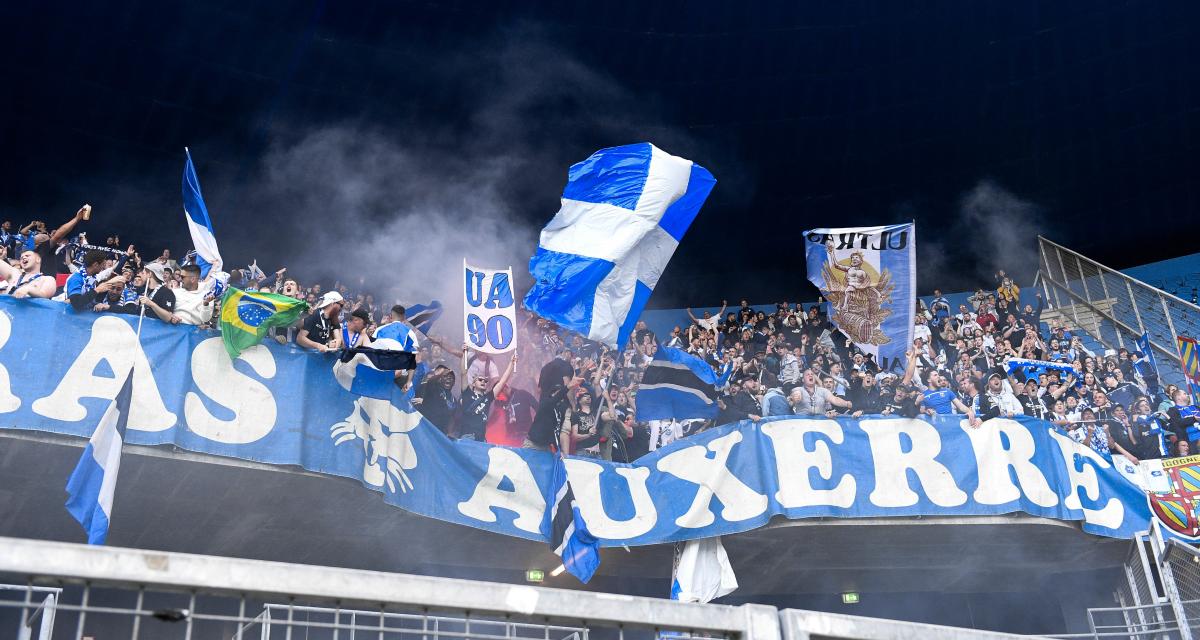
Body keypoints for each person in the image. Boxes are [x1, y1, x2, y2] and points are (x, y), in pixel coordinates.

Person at [458, 351, 516, 441]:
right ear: (473, 383)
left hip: (481, 438)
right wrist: (465, 353)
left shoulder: (488, 397)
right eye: (480, 380)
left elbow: (502, 382)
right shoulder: (467, 393)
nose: (483, 382)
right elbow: (463, 373)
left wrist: (511, 363)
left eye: (485, 381)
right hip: (468, 436)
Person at [415, 365, 457, 435]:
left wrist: (449, 433)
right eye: (445, 376)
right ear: (439, 379)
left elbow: (451, 418)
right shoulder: (434, 389)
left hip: (440, 434)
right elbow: (431, 382)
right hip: (425, 430)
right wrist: (440, 374)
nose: (448, 379)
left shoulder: (453, 400)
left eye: (451, 378)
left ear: (454, 382)